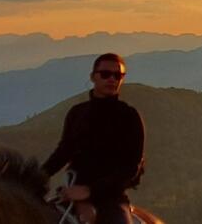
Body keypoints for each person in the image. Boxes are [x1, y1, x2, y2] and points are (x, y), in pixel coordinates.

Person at [42, 53, 145, 224]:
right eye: (105, 74)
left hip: (111, 198)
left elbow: (131, 167)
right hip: (73, 192)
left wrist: (90, 191)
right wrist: (35, 177)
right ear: (93, 77)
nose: (111, 79)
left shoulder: (129, 117)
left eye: (117, 75)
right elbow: (63, 153)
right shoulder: (77, 113)